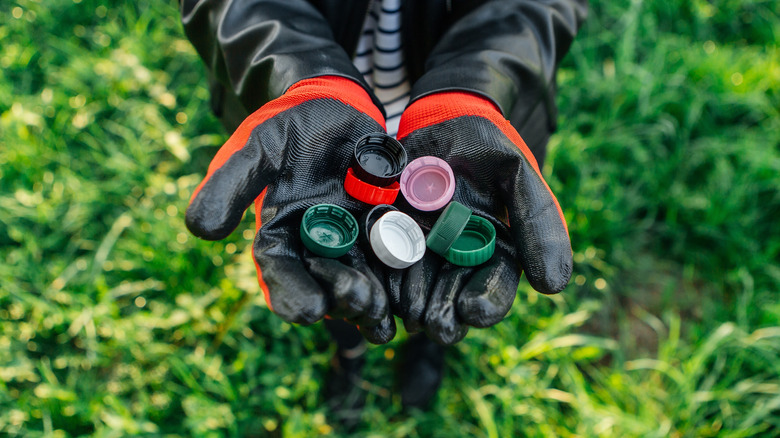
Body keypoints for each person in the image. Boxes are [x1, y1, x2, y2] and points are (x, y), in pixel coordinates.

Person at [179, 0, 587, 419]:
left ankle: (428, 341)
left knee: (442, 281)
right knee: (332, 268)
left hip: (470, 121)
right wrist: (301, 72)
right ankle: (348, 347)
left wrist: (475, 84)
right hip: (317, 119)